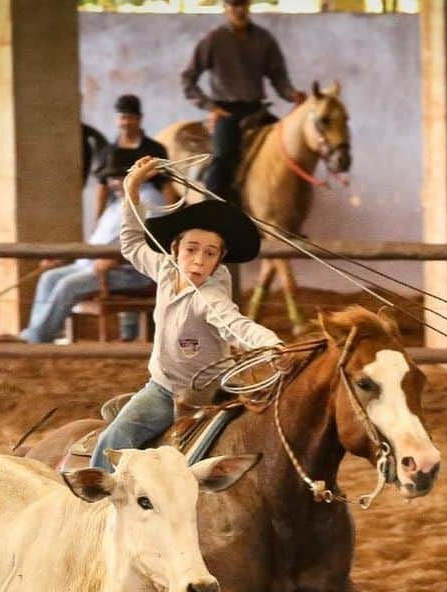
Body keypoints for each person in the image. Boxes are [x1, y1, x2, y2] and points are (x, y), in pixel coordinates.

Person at [90, 156, 281, 472]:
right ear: (174, 249)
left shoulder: (209, 297)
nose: (198, 260)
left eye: (210, 253)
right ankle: (92, 496)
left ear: (219, 260)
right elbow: (131, 243)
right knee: (117, 435)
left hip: (210, 392)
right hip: (164, 389)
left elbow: (236, 325)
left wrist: (272, 344)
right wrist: (132, 187)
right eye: (191, 249)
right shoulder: (164, 269)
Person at [181, 0, 306, 200]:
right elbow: (188, 78)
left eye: (242, 4)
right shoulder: (214, 40)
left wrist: (292, 94)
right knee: (223, 159)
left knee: (286, 149)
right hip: (226, 112)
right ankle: (213, 210)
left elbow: (278, 76)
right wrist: (210, 106)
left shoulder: (264, 39)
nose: (238, 10)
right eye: (233, 5)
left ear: (249, 6)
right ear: (225, 8)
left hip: (257, 110)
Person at [18, 174, 152, 346]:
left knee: (68, 285)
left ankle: (37, 340)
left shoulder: (149, 201)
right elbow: (99, 242)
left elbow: (150, 242)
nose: (112, 183)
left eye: (116, 178)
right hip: (93, 264)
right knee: (49, 277)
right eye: (112, 179)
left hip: (129, 273)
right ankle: (35, 333)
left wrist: (118, 259)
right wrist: (66, 257)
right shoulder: (118, 204)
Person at [92, 93, 174, 222]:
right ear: (116, 120)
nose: (126, 122)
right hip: (118, 203)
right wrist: (99, 220)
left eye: (131, 117)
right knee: (101, 238)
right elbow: (103, 188)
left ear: (139, 119)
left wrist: (171, 218)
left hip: (150, 200)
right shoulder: (107, 152)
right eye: (122, 117)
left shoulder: (155, 149)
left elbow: (167, 185)